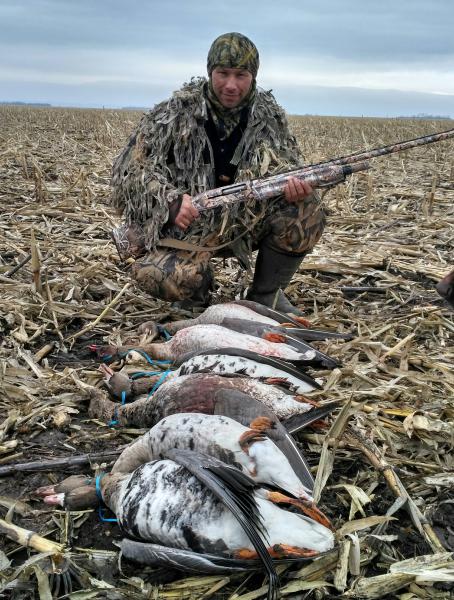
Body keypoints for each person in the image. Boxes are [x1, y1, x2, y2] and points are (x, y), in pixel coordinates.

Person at [111, 32, 325, 313]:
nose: (231, 85)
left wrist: (296, 188)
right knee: (157, 274)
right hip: (188, 227)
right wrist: (169, 201)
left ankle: (266, 294)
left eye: (241, 75)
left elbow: (288, 166)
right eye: (223, 73)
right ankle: (195, 293)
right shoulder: (173, 114)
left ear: (253, 77)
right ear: (210, 71)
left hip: (244, 222)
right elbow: (128, 171)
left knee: (308, 209)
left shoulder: (269, 117)